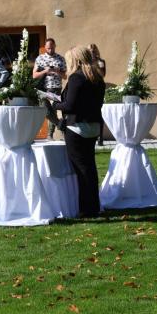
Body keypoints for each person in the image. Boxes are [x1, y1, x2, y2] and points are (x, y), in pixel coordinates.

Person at [52, 46, 106, 218]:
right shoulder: (97, 77)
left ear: (75, 60)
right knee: (89, 168)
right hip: (93, 127)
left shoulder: (76, 77)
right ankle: (93, 206)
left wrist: (55, 104)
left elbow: (69, 106)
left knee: (82, 170)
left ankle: (86, 209)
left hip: (77, 128)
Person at [33, 38, 67, 139]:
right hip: (43, 88)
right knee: (45, 109)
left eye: (52, 48)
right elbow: (34, 75)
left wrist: (57, 71)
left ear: (55, 46)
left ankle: (50, 134)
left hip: (56, 88)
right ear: (45, 47)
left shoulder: (60, 59)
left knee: (53, 110)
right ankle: (61, 126)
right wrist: (45, 71)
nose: (50, 50)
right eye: (48, 48)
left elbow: (65, 76)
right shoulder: (40, 58)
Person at [88, 43, 107, 146]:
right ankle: (91, 137)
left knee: (98, 113)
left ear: (96, 51)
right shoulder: (85, 62)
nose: (92, 52)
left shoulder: (101, 61)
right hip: (88, 88)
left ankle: (100, 138)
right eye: (90, 51)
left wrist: (97, 66)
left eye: (93, 50)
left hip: (98, 87)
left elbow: (103, 75)